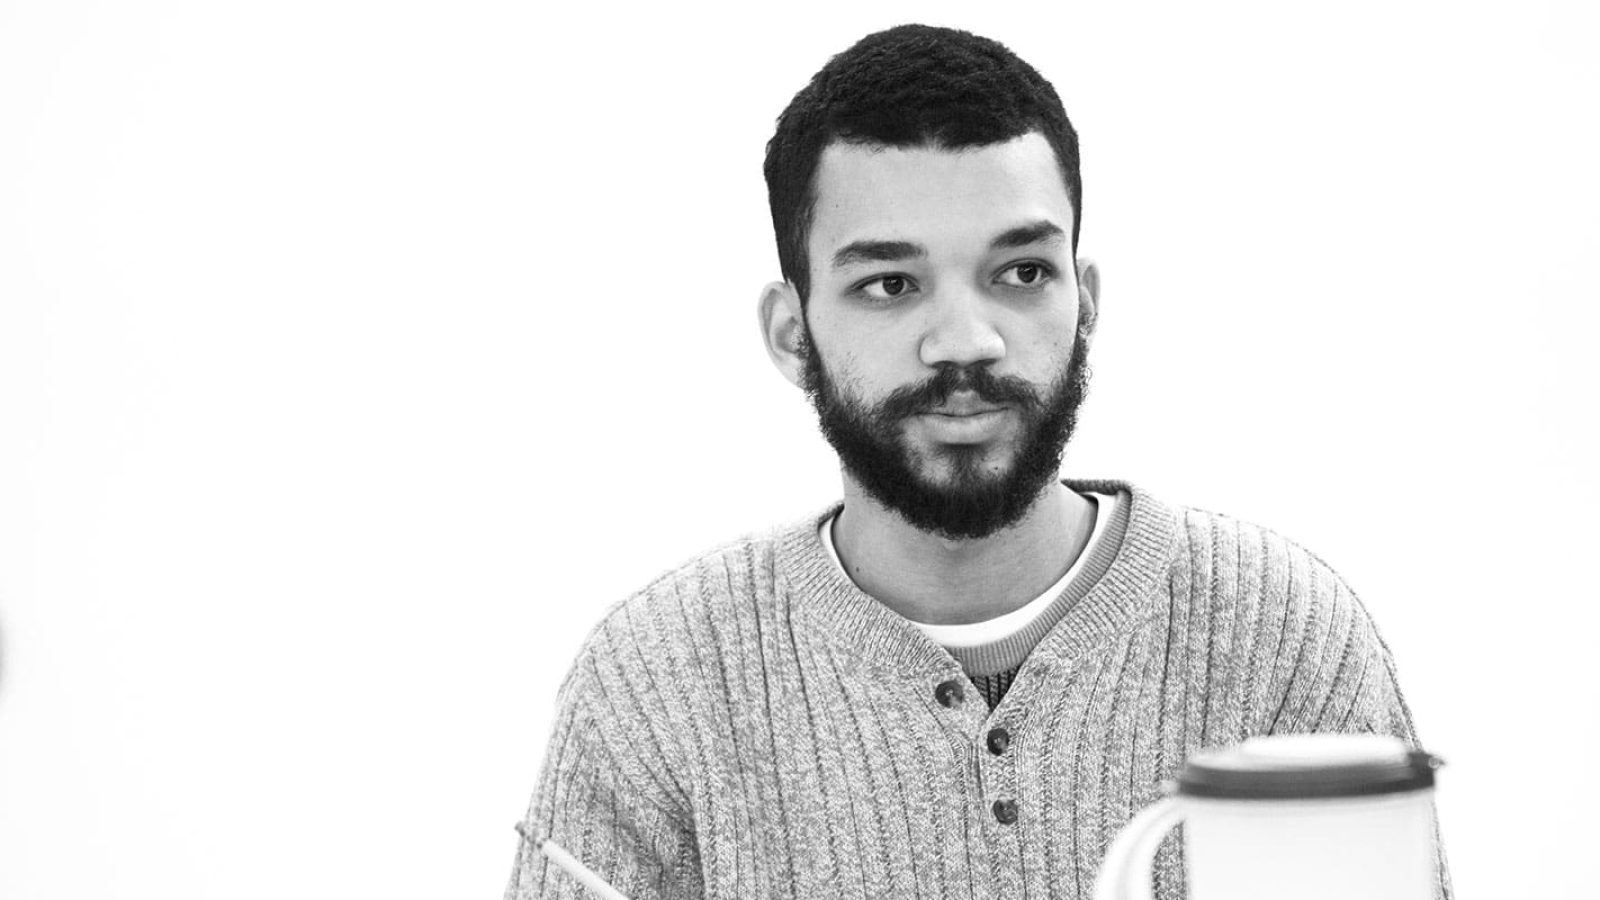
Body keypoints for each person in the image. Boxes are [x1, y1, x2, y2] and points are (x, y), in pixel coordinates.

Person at [505, 23, 1445, 900]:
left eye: (1022, 272)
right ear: (793, 335)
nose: (967, 341)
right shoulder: (655, 684)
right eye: (889, 284)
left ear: (1084, 300)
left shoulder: (1283, 638)